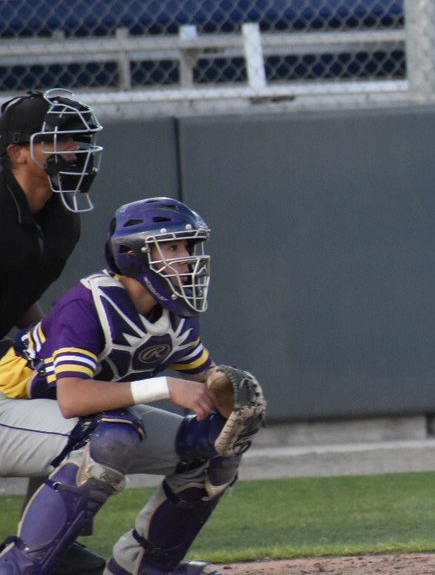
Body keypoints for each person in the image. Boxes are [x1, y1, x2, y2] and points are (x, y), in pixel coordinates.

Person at [0, 197, 267, 575]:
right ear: (131, 255)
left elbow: (207, 382)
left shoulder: (174, 311)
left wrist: (236, 400)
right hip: (8, 407)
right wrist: (165, 386)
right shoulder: (90, 302)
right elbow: (73, 398)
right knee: (113, 435)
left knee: (213, 447)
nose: (186, 258)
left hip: (60, 418)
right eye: (172, 247)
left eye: (187, 247)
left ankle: (142, 569)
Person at [0, 88, 107, 575]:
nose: (73, 150)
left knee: (81, 390)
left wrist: (50, 341)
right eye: (58, 140)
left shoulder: (63, 219)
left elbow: (17, 285)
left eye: (77, 140)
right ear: (17, 152)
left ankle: (48, 541)